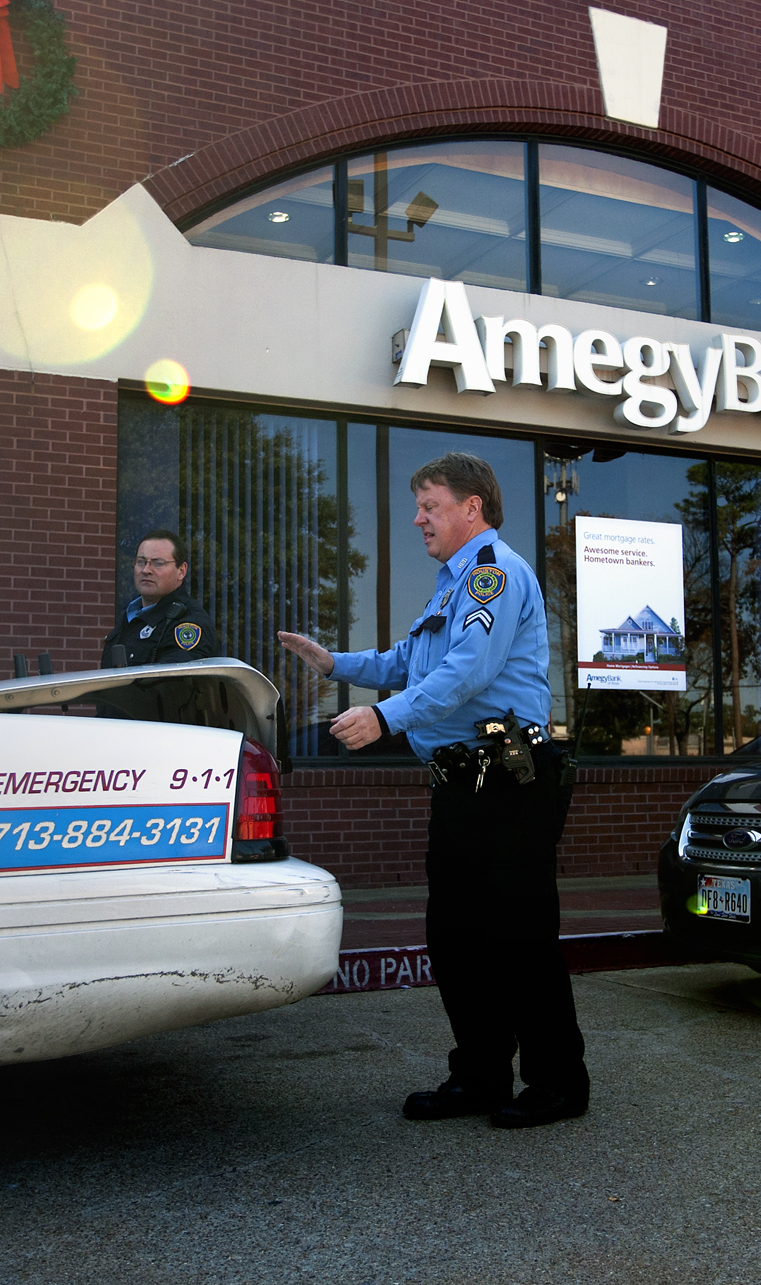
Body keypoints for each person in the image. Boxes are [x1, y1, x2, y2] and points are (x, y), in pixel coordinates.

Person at [278, 452, 587, 1129]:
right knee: (456, 936)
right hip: (463, 785)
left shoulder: (491, 575)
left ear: (471, 507)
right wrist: (338, 664)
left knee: (519, 937)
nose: (417, 518)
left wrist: (384, 714)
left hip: (509, 782)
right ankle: (478, 1074)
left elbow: (468, 670)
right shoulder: (452, 585)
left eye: (430, 505)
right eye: (418, 506)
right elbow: (408, 660)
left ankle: (559, 1081)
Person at [101, 529, 220, 668]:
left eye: (158, 563)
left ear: (181, 571)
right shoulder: (131, 618)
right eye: (141, 562)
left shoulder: (188, 623)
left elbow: (174, 686)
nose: (146, 570)